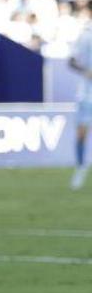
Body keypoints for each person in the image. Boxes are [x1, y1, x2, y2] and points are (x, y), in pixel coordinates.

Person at [68, 25, 92, 190]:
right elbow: (71, 61)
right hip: (87, 94)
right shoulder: (86, 35)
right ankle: (80, 168)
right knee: (81, 133)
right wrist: (86, 71)